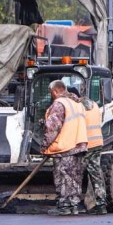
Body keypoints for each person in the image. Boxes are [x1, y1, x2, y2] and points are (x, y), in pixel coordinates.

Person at [41, 80, 88, 216]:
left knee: (63, 176)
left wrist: (44, 145)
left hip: (65, 147)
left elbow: (52, 127)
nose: (51, 96)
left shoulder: (59, 104)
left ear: (55, 91)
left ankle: (64, 206)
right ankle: (73, 205)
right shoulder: (76, 103)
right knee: (74, 177)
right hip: (79, 146)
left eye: (51, 93)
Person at [80, 91, 107, 215]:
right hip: (97, 143)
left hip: (86, 145)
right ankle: (101, 204)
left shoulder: (79, 107)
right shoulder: (95, 105)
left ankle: (74, 203)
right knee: (96, 174)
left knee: (75, 174)